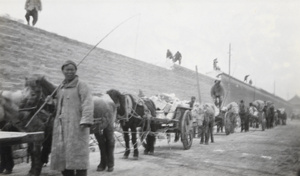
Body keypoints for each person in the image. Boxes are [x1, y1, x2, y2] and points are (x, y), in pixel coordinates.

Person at [50, 60, 94, 176]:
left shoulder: (82, 85)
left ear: (75, 71)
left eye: (72, 69)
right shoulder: (61, 87)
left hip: (77, 126)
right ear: (62, 71)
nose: (69, 72)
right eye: (67, 70)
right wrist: (50, 102)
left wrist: (86, 120)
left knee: (78, 155)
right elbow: (60, 105)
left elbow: (87, 103)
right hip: (62, 127)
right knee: (63, 155)